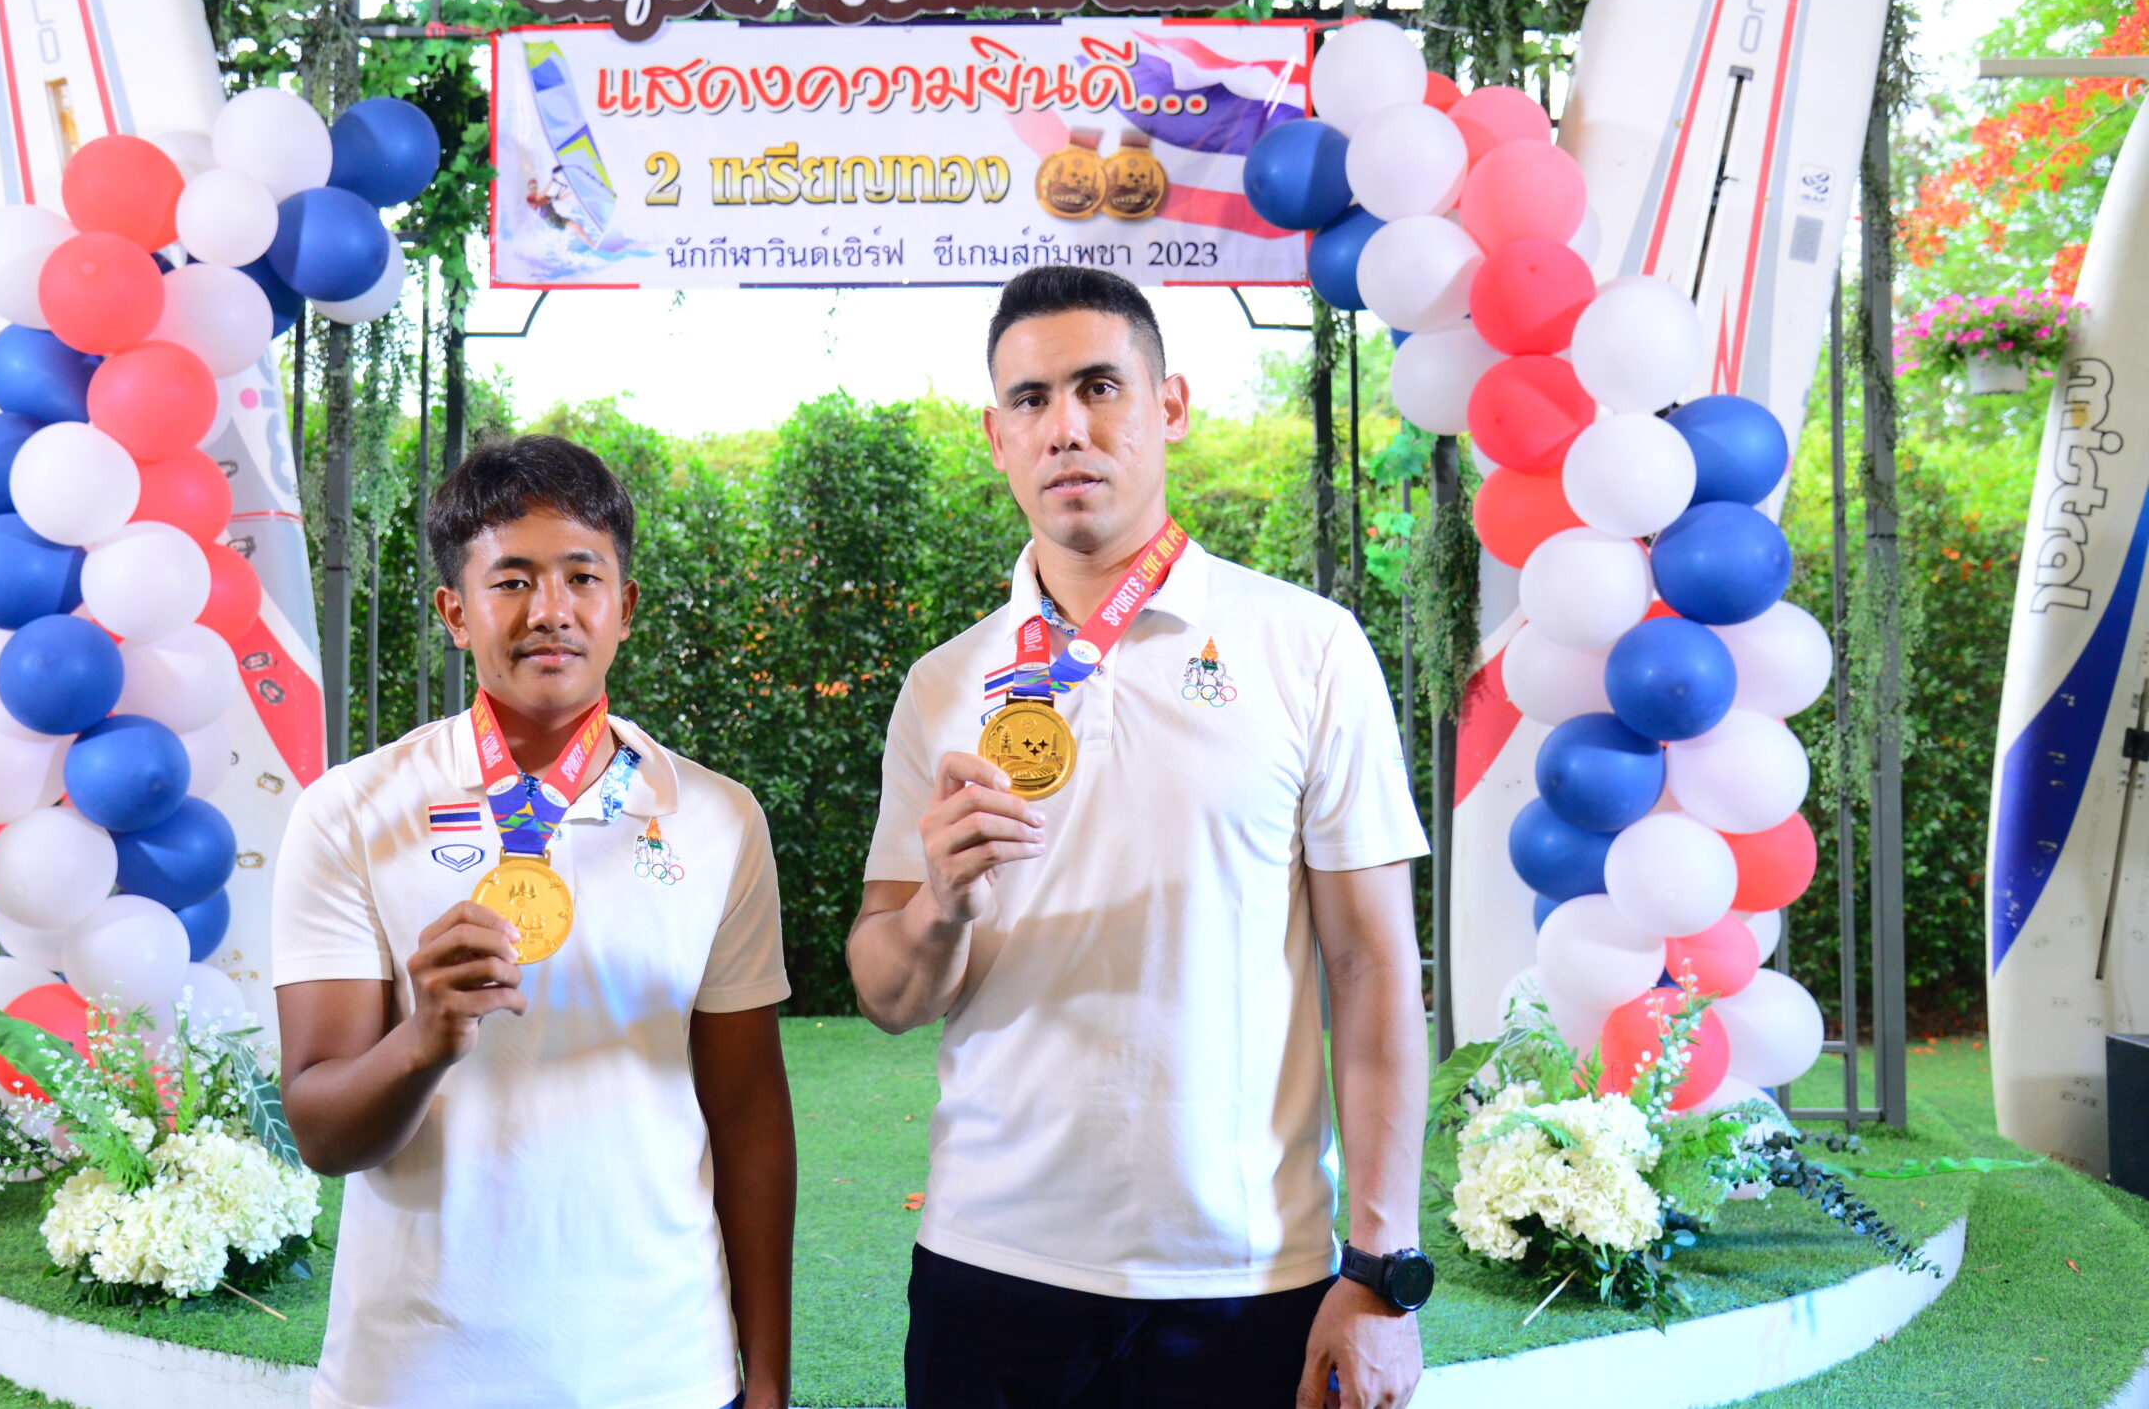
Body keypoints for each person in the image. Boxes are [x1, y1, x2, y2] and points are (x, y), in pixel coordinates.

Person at [847, 265, 1432, 1409]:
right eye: (1030, 399)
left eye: (1099, 386)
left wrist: (1379, 1272)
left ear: (1169, 405)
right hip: (988, 1264)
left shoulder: (1306, 646)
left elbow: (1371, 967)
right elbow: (885, 989)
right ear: (997, 436)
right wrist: (939, 907)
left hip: (1245, 1275)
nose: (1065, 426)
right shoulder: (942, 685)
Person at [273, 434, 794, 1409]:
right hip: (417, 1377)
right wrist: (424, 1038)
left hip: (663, 1373)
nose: (550, 609)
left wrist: (765, 1378)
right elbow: (321, 1130)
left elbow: (748, 1112)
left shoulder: (717, 817)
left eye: (581, 577)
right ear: (454, 612)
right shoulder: (350, 812)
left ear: (624, 606)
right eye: (511, 579)